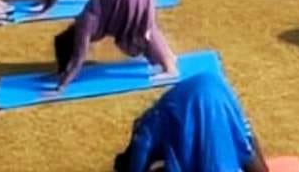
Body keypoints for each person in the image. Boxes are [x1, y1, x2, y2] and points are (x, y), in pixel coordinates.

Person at [113, 70, 271, 172]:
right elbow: (247, 136)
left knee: (212, 156)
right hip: (216, 86)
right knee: (241, 141)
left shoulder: (144, 132)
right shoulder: (151, 117)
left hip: (202, 101)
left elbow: (141, 153)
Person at [53, 0, 177, 90]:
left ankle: (170, 69)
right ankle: (168, 57)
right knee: (146, 27)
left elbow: (78, 58)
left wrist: (62, 85)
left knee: (143, 30)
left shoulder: (83, 28)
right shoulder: (84, 18)